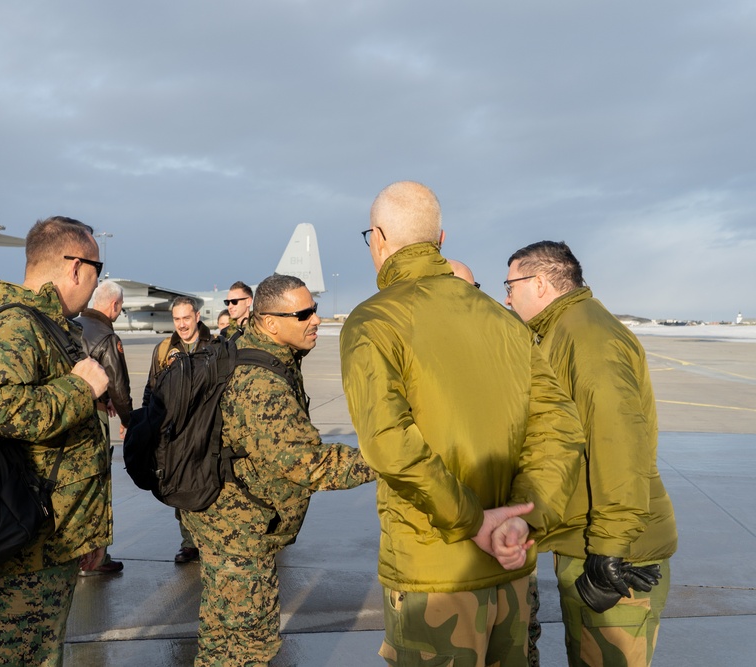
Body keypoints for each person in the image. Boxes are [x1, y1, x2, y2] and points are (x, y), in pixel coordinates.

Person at [340, 181, 586, 666]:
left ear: (379, 238)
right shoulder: (504, 321)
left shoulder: (374, 321)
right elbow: (560, 429)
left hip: (434, 580)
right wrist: (520, 518)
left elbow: (390, 444)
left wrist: (473, 522)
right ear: (441, 240)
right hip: (509, 576)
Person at [182, 273, 377, 666]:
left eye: (315, 310)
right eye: (303, 313)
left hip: (222, 520)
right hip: (241, 532)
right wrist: (389, 456)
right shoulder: (261, 381)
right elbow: (309, 464)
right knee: (251, 647)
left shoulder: (248, 347)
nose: (315, 319)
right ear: (271, 323)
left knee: (220, 639)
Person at [505, 241, 677, 667]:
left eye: (510, 284)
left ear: (540, 283)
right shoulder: (566, 330)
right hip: (589, 539)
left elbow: (618, 443)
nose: (506, 296)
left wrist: (610, 549)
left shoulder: (587, 337)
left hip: (615, 554)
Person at [0, 215, 112, 666]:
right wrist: (80, 389)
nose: (95, 284)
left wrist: (87, 533)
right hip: (23, 552)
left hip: (51, 543)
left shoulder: (49, 327)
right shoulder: (17, 327)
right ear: (74, 267)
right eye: (97, 270)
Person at [142, 295, 214, 563]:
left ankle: (210, 541)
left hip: (206, 430)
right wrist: (146, 424)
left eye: (186, 318)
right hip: (174, 433)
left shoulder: (216, 346)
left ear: (197, 316)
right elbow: (151, 390)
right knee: (179, 487)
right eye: (176, 319)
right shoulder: (164, 350)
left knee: (208, 485)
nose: (182, 325)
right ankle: (189, 543)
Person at [74, 279, 132, 576]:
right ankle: (98, 555)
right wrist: (128, 419)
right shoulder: (106, 336)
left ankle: (75, 555)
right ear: (114, 305)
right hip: (93, 418)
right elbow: (119, 386)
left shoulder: (72, 326)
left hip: (67, 413)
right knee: (98, 485)